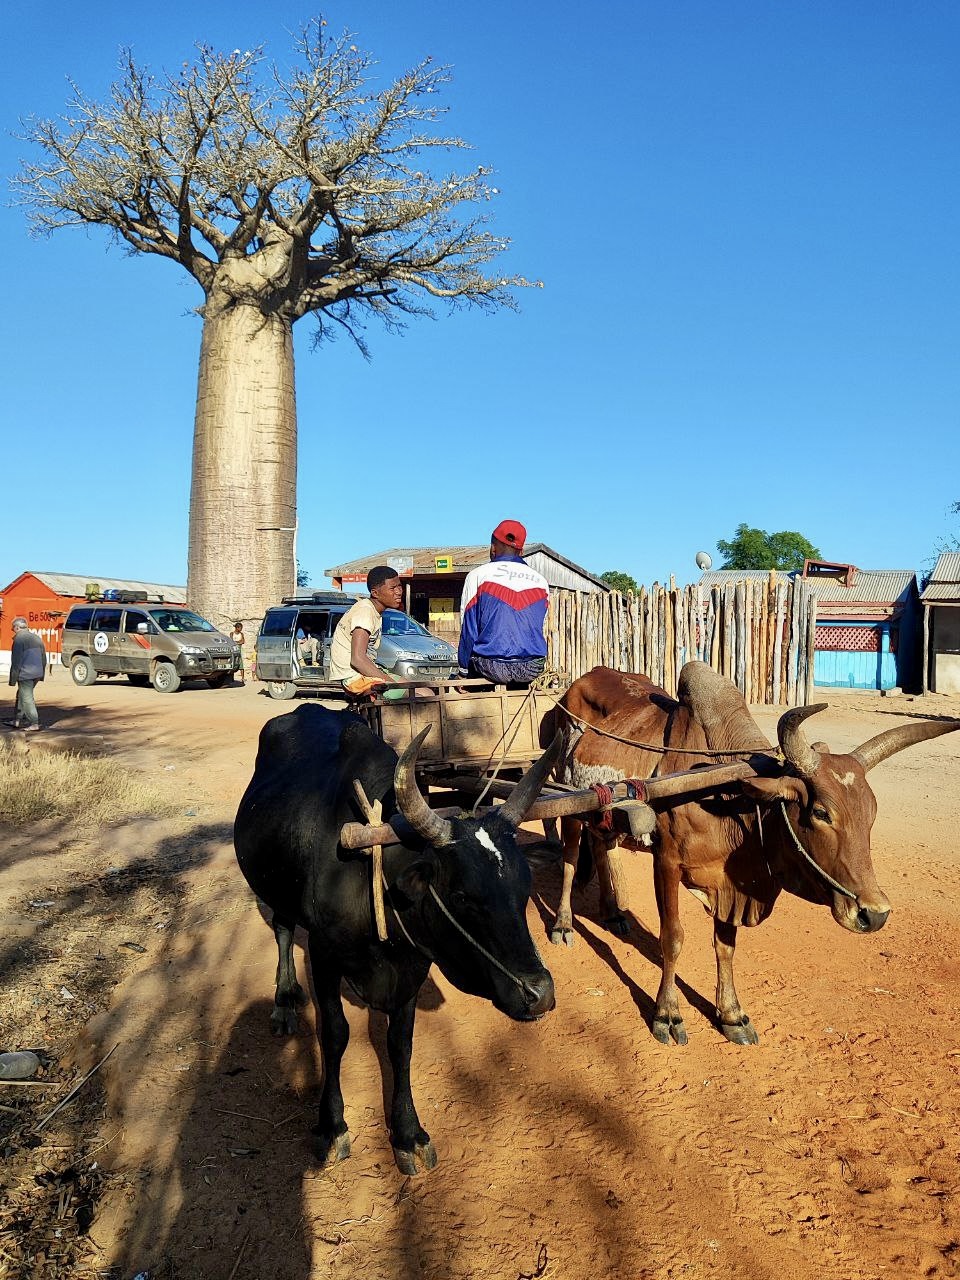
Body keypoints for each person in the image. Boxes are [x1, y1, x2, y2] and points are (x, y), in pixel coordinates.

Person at [458, 519, 549, 688]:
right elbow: (538, 627)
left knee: (471, 669)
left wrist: (463, 671)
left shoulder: (478, 576)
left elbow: (469, 631)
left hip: (492, 667)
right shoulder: (541, 582)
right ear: (521, 551)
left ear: (493, 547)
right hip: (532, 667)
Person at [328, 566, 404, 696]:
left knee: (424, 691)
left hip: (365, 673)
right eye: (392, 588)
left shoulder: (374, 611)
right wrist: (392, 684)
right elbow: (357, 659)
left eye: (399, 586)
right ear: (375, 593)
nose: (399, 592)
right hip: (354, 678)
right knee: (414, 696)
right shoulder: (365, 611)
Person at [5, 617, 47, 732]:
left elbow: (16, 661)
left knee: (27, 698)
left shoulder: (19, 640)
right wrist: (42, 673)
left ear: (17, 627)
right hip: (37, 673)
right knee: (22, 694)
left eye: (13, 628)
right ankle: (17, 720)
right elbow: (44, 657)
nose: (13, 630)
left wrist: (12, 679)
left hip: (25, 673)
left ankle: (34, 723)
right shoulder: (36, 638)